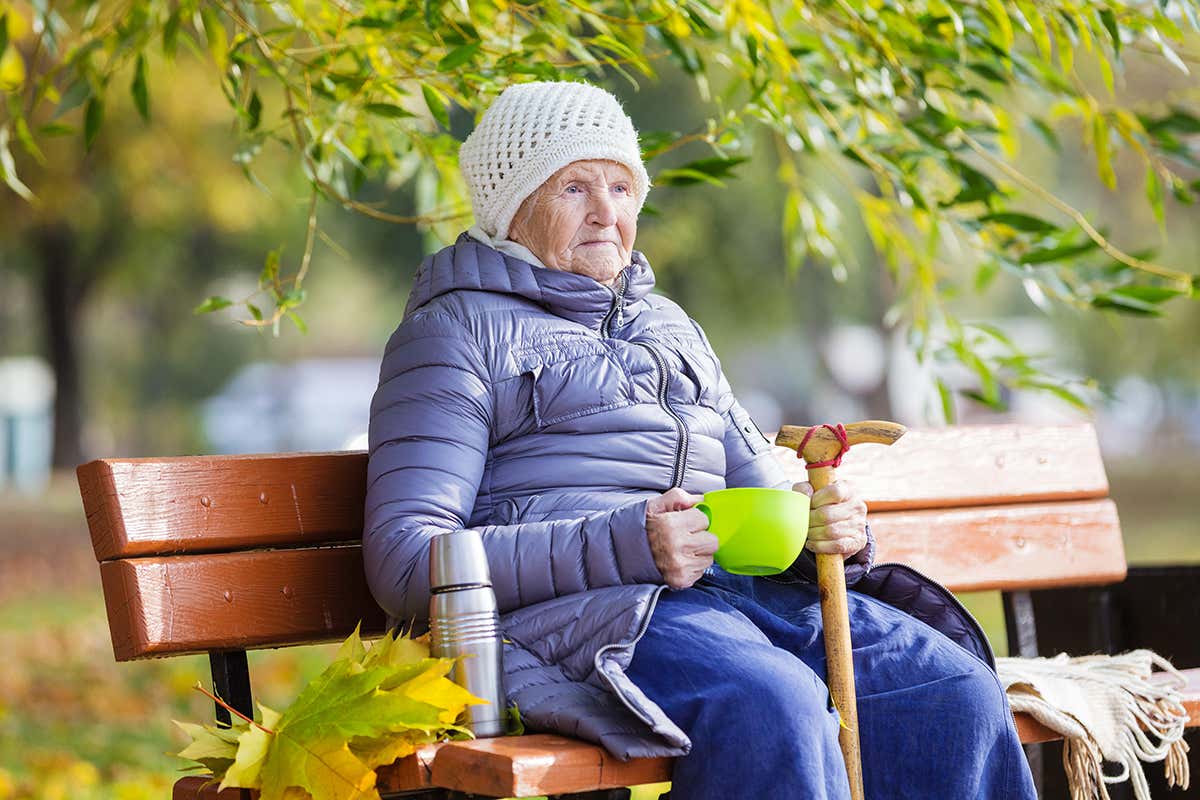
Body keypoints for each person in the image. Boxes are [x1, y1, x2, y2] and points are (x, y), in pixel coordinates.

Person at [364, 80, 1036, 799]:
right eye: (574, 189)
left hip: (731, 598)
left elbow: (761, 484)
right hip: (582, 620)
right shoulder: (453, 331)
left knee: (946, 690)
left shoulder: (669, 326)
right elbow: (406, 560)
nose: (606, 212)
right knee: (774, 707)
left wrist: (820, 526)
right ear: (511, 208)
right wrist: (628, 543)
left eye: (622, 187)